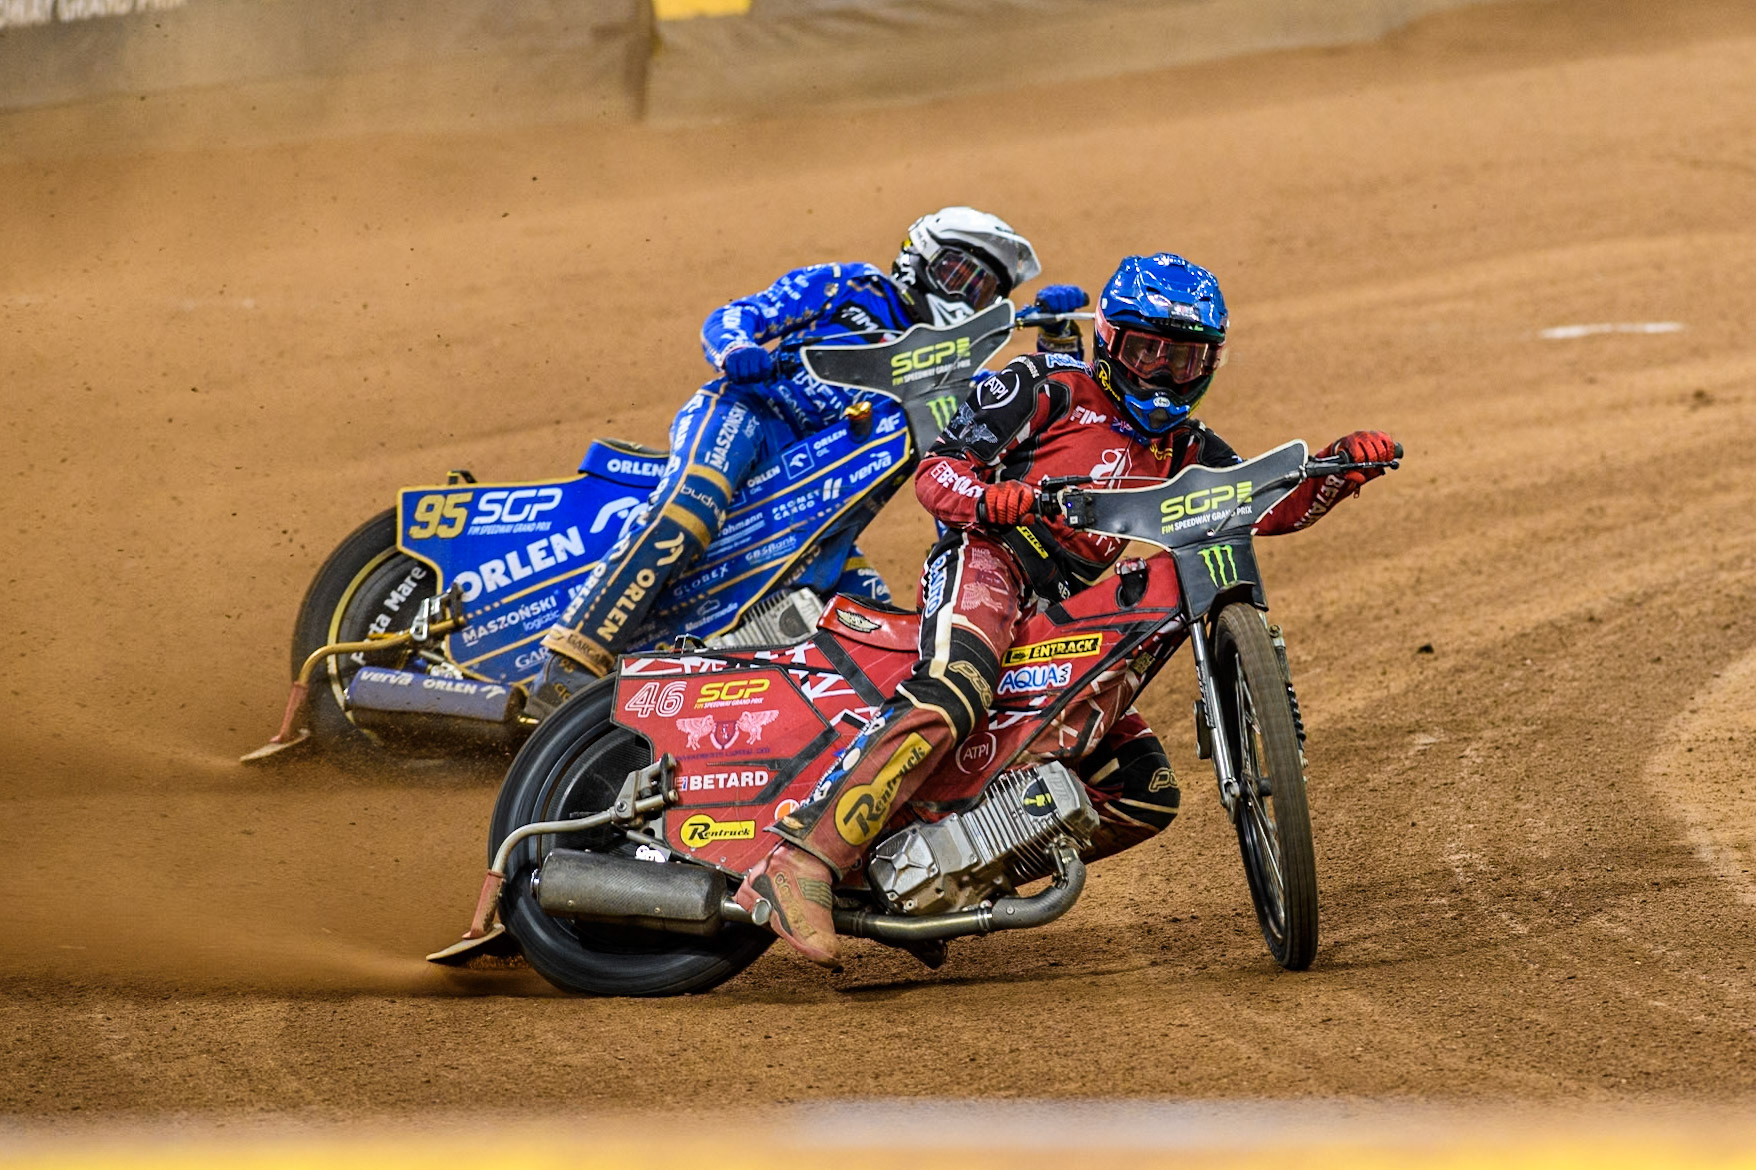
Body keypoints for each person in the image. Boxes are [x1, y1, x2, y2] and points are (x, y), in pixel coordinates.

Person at [732, 252, 1399, 967]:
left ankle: (947, 877)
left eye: (1184, 358)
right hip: (989, 561)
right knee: (957, 689)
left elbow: (1253, 511)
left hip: (1065, 610)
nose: (1162, 373)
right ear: (1110, 340)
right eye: (1147, 350)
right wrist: (991, 499)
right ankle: (802, 860)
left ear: (1210, 364)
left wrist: (1339, 471)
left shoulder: (1183, 448)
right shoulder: (1048, 387)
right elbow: (940, 469)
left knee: (1145, 792)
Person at [525, 207, 1090, 718]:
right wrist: (737, 350)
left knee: (864, 618)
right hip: (753, 415)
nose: (966, 297)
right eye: (958, 275)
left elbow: (1031, 425)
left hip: (824, 502)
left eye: (984, 291)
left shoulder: (952, 379)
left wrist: (1059, 340)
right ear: (917, 258)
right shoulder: (851, 285)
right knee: (690, 506)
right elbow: (738, 315)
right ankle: (570, 660)